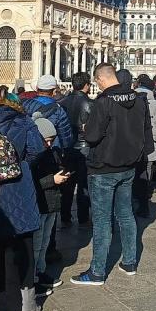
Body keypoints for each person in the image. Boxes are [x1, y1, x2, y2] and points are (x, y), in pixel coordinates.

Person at [71, 66, 152, 286]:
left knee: (102, 220)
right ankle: (130, 261)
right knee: (125, 215)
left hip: (104, 167)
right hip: (128, 165)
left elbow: (93, 136)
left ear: (100, 79)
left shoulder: (103, 101)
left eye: (97, 82)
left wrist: (87, 128)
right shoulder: (138, 99)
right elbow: (145, 131)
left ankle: (97, 272)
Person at [0, 87, 44, 311]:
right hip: (20, 188)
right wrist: (22, 166)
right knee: (25, 246)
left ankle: (0, 303)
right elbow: (37, 150)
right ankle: (28, 304)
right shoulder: (23, 121)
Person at [30, 115, 69, 296]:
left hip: (52, 203)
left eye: (51, 141)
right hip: (40, 204)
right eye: (46, 141)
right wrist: (52, 179)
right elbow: (32, 182)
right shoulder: (32, 156)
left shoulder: (52, 151)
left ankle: (40, 271)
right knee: (36, 245)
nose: (49, 144)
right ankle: (32, 279)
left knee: (45, 243)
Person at [58, 71, 92, 228]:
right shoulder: (91, 104)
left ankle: (65, 216)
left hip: (67, 146)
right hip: (84, 147)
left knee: (67, 184)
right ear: (86, 85)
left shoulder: (62, 102)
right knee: (83, 185)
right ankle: (83, 217)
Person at [134, 75, 156, 218]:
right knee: (145, 173)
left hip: (132, 145)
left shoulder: (131, 100)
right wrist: (155, 139)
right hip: (150, 144)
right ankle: (143, 203)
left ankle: (134, 200)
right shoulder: (155, 104)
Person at [22, 74, 74, 151]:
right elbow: (66, 140)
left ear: (37, 88)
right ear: (54, 91)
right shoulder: (59, 111)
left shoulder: (23, 105)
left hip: (28, 151)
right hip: (50, 152)